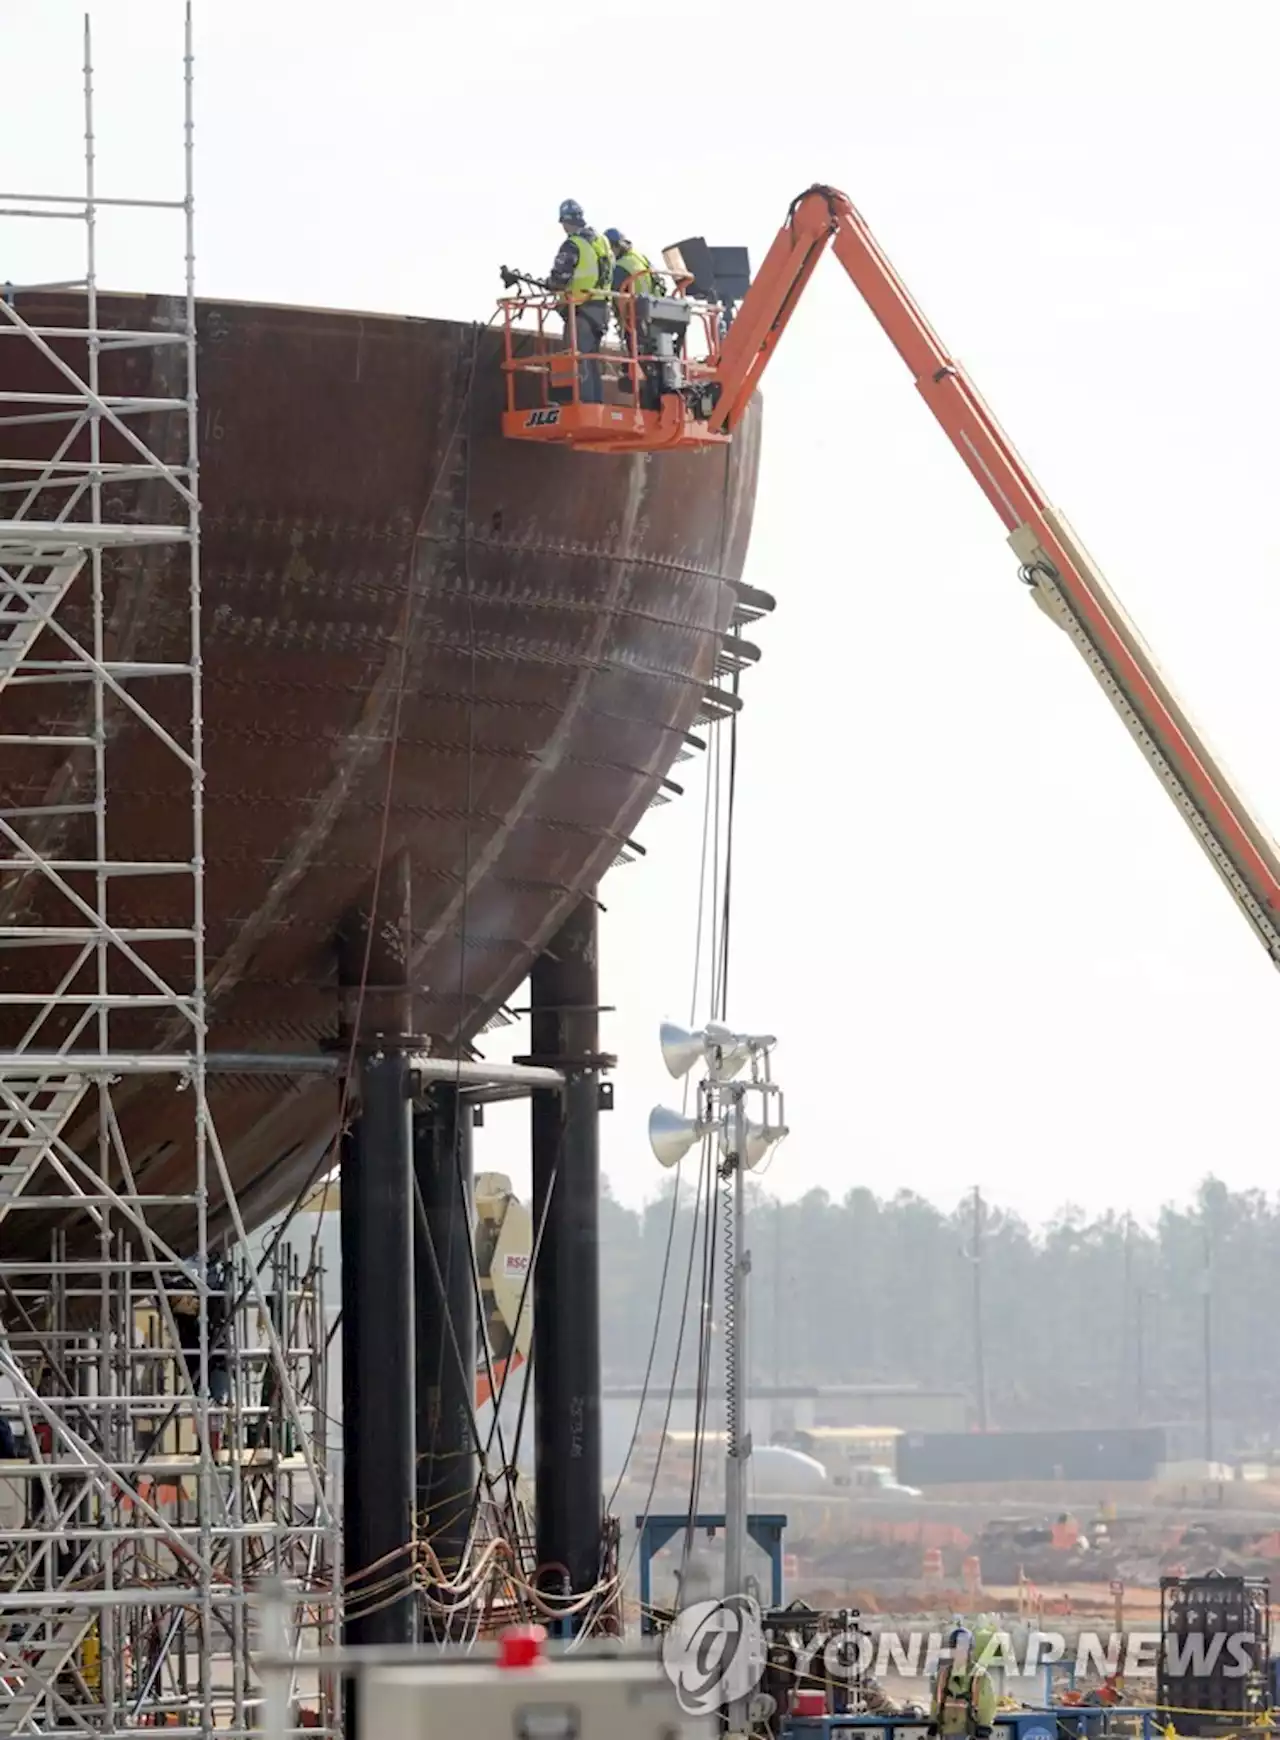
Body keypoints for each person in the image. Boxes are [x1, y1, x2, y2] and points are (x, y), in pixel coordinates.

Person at [547, 199, 612, 405]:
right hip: (602, 308)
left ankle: (582, 402)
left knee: (578, 357)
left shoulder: (573, 244)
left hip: (581, 308)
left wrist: (550, 283)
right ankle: (595, 401)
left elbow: (560, 278)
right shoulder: (601, 241)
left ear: (565, 222)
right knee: (591, 358)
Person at [928, 1625, 996, 1740]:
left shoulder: (980, 1676)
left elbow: (987, 1707)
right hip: (946, 1733)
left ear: (970, 1650)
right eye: (955, 1648)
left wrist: (984, 1729)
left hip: (971, 1734)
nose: (959, 1652)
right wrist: (933, 1724)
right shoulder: (943, 1675)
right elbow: (936, 1702)